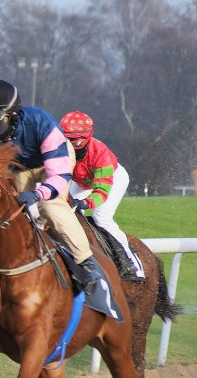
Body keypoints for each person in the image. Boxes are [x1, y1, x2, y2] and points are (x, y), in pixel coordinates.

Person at [0, 79, 103, 291]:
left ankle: (86, 262)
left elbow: (59, 177)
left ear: (12, 115)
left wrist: (37, 195)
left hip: (53, 163)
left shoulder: (42, 124)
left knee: (50, 206)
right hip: (21, 167)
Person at [60, 111, 144, 281]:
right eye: (69, 139)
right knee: (61, 209)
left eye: (76, 140)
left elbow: (101, 192)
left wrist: (84, 203)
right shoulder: (59, 149)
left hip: (113, 178)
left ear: (87, 137)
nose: (72, 145)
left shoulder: (101, 154)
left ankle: (130, 263)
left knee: (101, 216)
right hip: (83, 181)